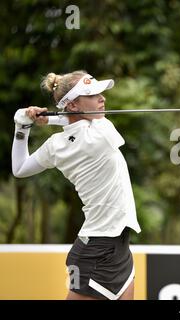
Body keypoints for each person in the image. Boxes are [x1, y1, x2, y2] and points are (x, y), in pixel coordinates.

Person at [11, 70, 141, 300]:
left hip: (114, 242)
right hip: (97, 249)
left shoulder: (56, 145)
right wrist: (47, 118)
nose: (102, 99)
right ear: (72, 105)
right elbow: (77, 123)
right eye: (92, 95)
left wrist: (22, 126)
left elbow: (19, 168)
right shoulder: (101, 133)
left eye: (101, 93)